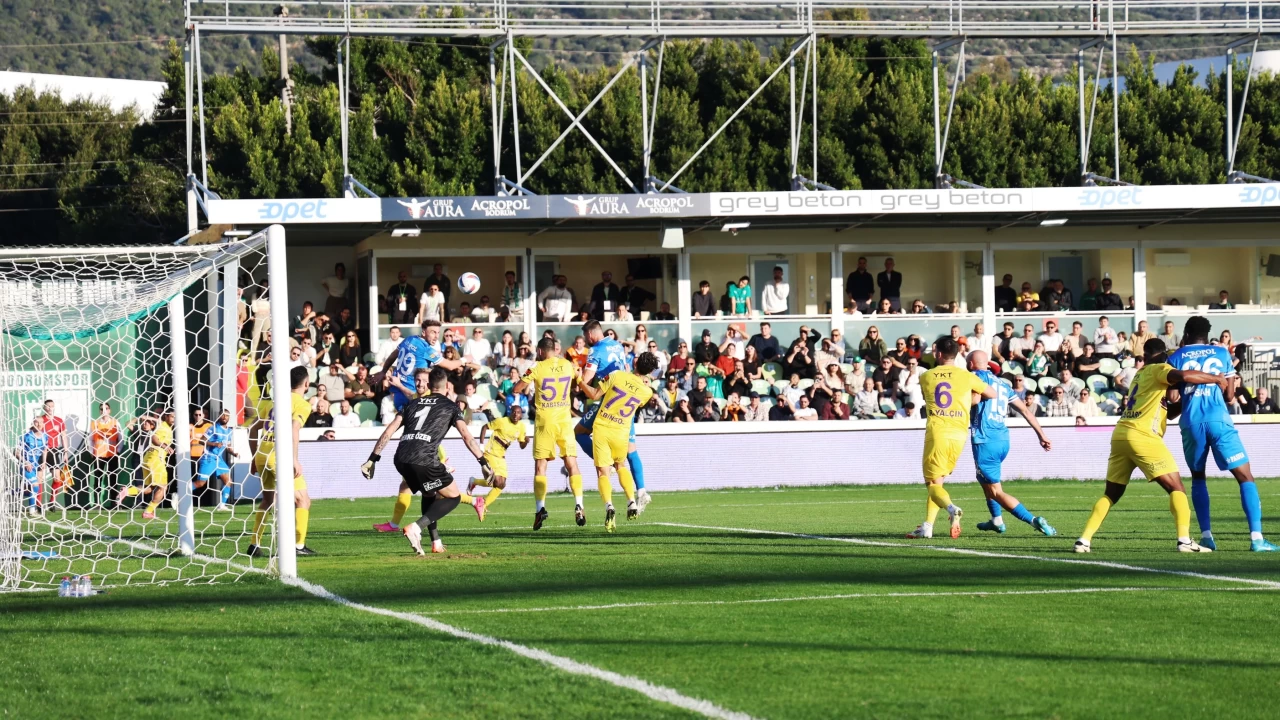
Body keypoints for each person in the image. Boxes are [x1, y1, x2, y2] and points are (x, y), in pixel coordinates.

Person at [1074, 339, 1228, 554]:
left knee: (1111, 494)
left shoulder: (1140, 374)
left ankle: (1084, 540)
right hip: (1143, 435)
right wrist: (1216, 378)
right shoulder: (1160, 369)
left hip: (1121, 434)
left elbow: (1168, 411)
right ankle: (1184, 540)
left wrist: (1184, 402)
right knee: (1177, 488)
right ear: (1162, 354)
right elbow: (1183, 376)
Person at [1167, 316, 1275, 552]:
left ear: (1186, 334)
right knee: (1245, 477)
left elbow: (1173, 399)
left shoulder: (1176, 356)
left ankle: (1207, 537)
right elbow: (1229, 396)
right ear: (1207, 335)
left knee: (1198, 478)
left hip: (1192, 422)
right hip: (1219, 420)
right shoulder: (1222, 354)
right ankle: (1257, 539)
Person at [361, 367, 488, 555]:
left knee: (429, 494)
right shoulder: (450, 406)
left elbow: (388, 431)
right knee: (454, 496)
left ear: (429, 385)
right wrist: (483, 462)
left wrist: (372, 459)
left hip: (401, 458)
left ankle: (435, 542)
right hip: (424, 458)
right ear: (447, 388)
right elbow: (466, 436)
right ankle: (416, 528)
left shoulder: (411, 404)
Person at [906, 337, 997, 540]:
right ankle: (927, 527)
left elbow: (931, 396)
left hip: (938, 432)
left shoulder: (927, 376)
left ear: (938, 354)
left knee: (932, 484)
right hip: (959, 434)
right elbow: (991, 393)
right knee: (938, 482)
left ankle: (951, 508)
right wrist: (973, 399)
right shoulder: (966, 376)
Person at [964, 350, 1057, 534]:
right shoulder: (1002, 384)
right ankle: (996, 520)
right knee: (984, 480)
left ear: (971, 364)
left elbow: (973, 400)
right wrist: (1042, 436)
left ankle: (1034, 520)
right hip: (1003, 440)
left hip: (985, 440)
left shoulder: (972, 378)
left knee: (996, 491)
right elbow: (1026, 411)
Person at [508, 338, 587, 528]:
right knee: (571, 463)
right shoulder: (569, 365)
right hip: (564, 422)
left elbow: (516, 388)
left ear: (541, 351)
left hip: (545, 422)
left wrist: (526, 379)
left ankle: (540, 508)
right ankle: (579, 504)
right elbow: (578, 385)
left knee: (541, 467)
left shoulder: (537, 366)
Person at [576, 352, 657, 530]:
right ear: (649, 372)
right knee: (621, 465)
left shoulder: (616, 375)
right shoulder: (647, 392)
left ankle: (609, 506)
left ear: (635, 362)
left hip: (603, 427)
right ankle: (631, 501)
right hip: (622, 432)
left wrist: (580, 380)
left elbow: (595, 395)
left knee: (603, 472)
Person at [245, 369, 315, 556]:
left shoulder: (275, 403)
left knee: (267, 500)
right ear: (306, 384)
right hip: (279, 457)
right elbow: (294, 428)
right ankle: (298, 546)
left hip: (262, 454)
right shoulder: (302, 404)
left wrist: (254, 456)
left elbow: (252, 428)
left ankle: (254, 544)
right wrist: (293, 459)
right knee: (303, 500)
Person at [465, 405, 529, 511]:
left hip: (501, 457)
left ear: (521, 414)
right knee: (496, 482)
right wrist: (481, 446)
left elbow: (522, 446)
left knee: (501, 484)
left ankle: (480, 496)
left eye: (518, 412)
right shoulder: (502, 421)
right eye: (513, 412)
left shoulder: (521, 427)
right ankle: (481, 503)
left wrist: (525, 441)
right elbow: (484, 427)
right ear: (510, 412)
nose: (515, 414)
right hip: (490, 453)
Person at [196, 408, 237, 511]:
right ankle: (179, 494)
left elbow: (227, 446)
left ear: (229, 418)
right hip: (208, 457)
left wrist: (233, 453)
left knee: (228, 481)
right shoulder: (213, 428)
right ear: (219, 416)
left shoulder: (229, 431)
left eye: (227, 416)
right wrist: (214, 444)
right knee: (201, 483)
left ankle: (222, 505)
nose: (225, 417)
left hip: (218, 459)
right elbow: (201, 441)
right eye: (223, 415)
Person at [88, 401, 122, 508]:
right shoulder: (94, 423)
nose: (104, 411)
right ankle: (97, 503)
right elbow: (90, 440)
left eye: (106, 408)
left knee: (112, 479)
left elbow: (121, 439)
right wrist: (91, 452)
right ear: (99, 411)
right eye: (102, 409)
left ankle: (113, 502)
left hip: (112, 454)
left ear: (109, 410)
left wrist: (118, 451)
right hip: (98, 455)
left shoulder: (115, 422)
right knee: (98, 479)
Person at [19, 417, 48, 516]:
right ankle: (32, 511)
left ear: (44, 424)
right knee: (35, 487)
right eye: (37, 422)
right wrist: (26, 462)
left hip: (37, 466)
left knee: (31, 490)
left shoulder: (45, 436)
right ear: (33, 423)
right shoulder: (26, 436)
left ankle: (10, 492)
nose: (39, 424)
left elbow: (45, 450)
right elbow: (17, 452)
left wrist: (44, 462)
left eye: (41, 422)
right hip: (26, 466)